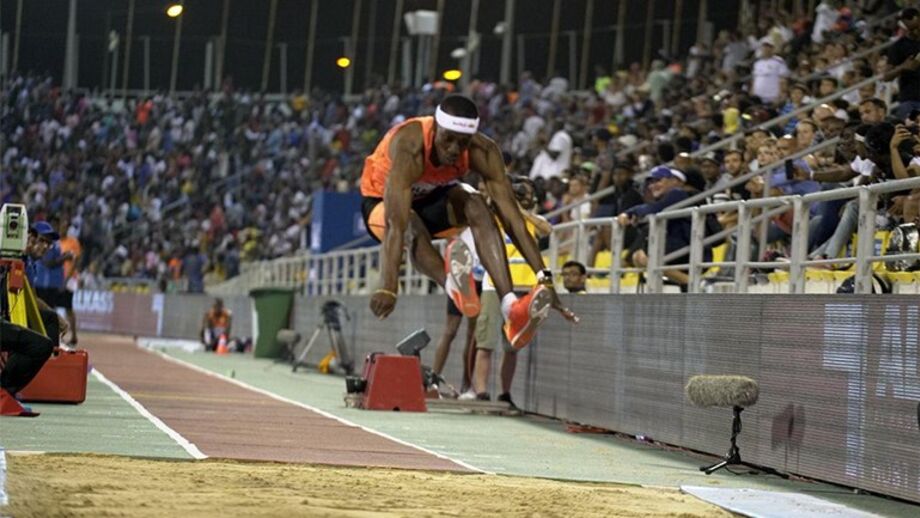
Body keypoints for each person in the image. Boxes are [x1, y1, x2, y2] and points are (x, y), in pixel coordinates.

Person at [360, 94, 577, 351]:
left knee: (477, 204)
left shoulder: (483, 150)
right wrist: (388, 285)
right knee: (410, 223)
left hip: (434, 198)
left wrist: (545, 278)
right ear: (436, 128)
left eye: (461, 143)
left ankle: (511, 308)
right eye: (447, 139)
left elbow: (512, 220)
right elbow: (395, 224)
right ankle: (452, 285)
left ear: (471, 140)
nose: (453, 149)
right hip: (382, 206)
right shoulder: (410, 144)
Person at [466, 176, 552, 405]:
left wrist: (519, 212)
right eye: (519, 193)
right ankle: (481, 392)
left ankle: (505, 393)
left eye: (527, 193)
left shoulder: (533, 220)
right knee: (485, 341)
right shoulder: (494, 216)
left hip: (524, 286)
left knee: (512, 346)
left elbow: (547, 229)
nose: (525, 197)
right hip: (495, 285)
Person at [2, 223, 67, 409]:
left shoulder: (29, 263)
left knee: (48, 320)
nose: (45, 247)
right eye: (42, 241)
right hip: (9, 313)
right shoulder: (16, 259)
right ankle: (10, 388)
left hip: (12, 311)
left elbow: (31, 296)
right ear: (29, 237)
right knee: (49, 322)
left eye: (48, 244)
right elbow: (26, 296)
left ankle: (44, 373)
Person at [431, 227, 482, 396]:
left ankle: (467, 386)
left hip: (480, 280)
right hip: (461, 279)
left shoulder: (489, 223)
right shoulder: (462, 224)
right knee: (450, 331)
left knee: (472, 335)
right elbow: (450, 243)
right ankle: (433, 381)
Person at [886, 8, 920, 121]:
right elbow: (886, 76)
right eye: (913, 28)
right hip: (912, 100)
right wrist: (902, 67)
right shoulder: (898, 47)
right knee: (912, 133)